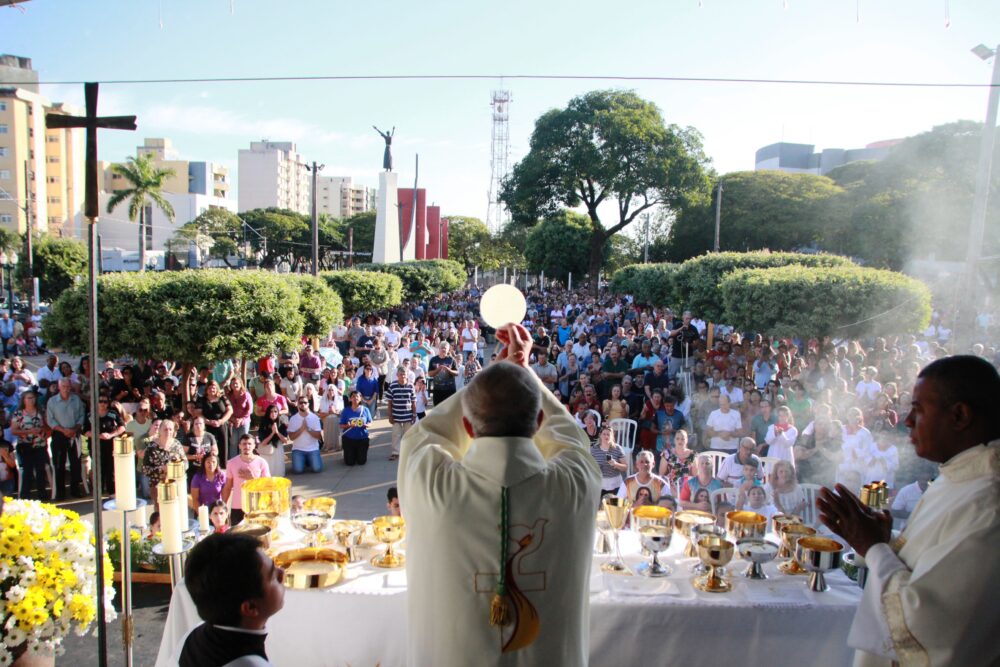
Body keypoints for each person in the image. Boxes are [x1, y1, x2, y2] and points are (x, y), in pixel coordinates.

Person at [398, 323, 600, 667]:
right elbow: (571, 439)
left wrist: (495, 374)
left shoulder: (430, 483)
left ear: (467, 425)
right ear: (539, 421)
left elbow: (423, 435)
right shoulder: (576, 484)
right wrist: (522, 369)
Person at [817, 355, 1000, 667]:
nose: (908, 421)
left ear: (959, 415)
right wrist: (886, 542)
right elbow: (928, 562)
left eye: (918, 409)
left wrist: (872, 546)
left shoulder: (988, 503)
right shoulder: (959, 477)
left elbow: (928, 624)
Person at [175, 532, 285, 666]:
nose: (282, 572)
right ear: (250, 607)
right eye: (273, 576)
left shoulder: (193, 636)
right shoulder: (250, 664)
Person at [45, 377, 86, 500]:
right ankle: (60, 492)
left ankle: (75, 489)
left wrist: (74, 429)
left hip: (74, 433)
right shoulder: (52, 401)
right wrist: (63, 430)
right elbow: (50, 420)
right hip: (59, 434)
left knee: (76, 463)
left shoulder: (76, 399)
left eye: (68, 387)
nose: (66, 389)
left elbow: (81, 416)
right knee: (59, 464)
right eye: (63, 387)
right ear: (59, 387)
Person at [222, 434, 271, 525]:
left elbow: (268, 487)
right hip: (238, 506)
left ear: (254, 446)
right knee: (237, 533)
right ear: (239, 446)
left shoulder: (262, 462)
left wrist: (252, 479)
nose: (247, 446)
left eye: (249, 444)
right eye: (244, 444)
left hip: (257, 506)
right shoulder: (231, 463)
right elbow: (228, 487)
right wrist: (223, 505)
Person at [386, 366, 416, 462]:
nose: (403, 376)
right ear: (397, 375)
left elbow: (413, 401)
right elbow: (389, 402)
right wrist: (390, 415)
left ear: (407, 375)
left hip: (408, 415)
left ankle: (409, 453)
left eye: (404, 374)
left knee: (408, 435)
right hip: (396, 415)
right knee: (396, 435)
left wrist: (414, 414)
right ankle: (395, 453)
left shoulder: (411, 386)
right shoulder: (392, 386)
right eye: (401, 374)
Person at [591, 422, 627, 500]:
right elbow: (589, 466)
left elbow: (625, 467)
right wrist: (595, 468)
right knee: (600, 506)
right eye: (604, 434)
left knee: (613, 505)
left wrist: (616, 464)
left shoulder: (617, 448)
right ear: (600, 435)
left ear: (612, 436)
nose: (606, 436)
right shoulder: (594, 449)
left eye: (608, 434)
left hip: (615, 484)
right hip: (599, 484)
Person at [287, 396, 323, 474]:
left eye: (305, 402)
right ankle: (306, 460)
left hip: (312, 449)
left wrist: (308, 429)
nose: (303, 404)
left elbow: (318, 436)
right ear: (297, 404)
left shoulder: (315, 418)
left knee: (317, 469)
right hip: (298, 449)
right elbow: (291, 437)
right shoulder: (293, 419)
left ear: (308, 404)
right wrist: (302, 429)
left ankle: (309, 460)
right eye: (301, 403)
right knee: (297, 471)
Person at [339, 390, 373, 466]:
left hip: (362, 439)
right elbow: (341, 425)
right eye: (353, 396)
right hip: (349, 439)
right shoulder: (346, 410)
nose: (355, 398)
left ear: (360, 398)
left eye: (357, 396)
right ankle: (348, 453)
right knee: (349, 463)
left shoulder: (365, 410)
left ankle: (357, 453)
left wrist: (367, 425)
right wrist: (348, 426)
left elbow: (370, 422)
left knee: (361, 462)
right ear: (350, 399)